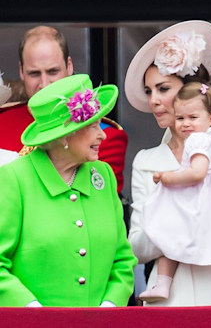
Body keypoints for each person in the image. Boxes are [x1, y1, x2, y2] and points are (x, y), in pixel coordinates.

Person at [125, 20, 211, 306]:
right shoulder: (146, 161)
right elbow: (136, 247)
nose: (153, 100)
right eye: (149, 91)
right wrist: (180, 228)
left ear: (191, 91)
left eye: (162, 88)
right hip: (168, 293)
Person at [0, 73, 137, 307]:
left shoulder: (103, 176)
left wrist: (109, 307)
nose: (103, 134)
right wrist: (33, 312)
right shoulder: (15, 179)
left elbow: (122, 260)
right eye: (93, 126)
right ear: (65, 135)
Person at [138, 82, 211, 303]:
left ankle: (163, 282)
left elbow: (197, 173)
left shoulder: (197, 139)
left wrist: (168, 178)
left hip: (200, 201)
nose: (185, 124)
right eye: (180, 119)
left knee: (171, 234)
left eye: (192, 118)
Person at [0, 25, 127, 194]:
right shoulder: (3, 122)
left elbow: (98, 206)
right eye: (34, 74)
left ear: (69, 66)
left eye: (53, 71)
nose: (44, 84)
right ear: (21, 71)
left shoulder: (107, 136)